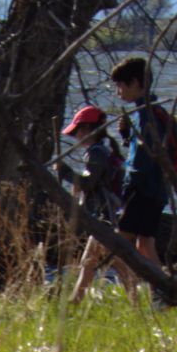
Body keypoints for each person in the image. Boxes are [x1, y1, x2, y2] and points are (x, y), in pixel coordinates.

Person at [109, 56, 174, 288]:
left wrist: (125, 190)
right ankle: (165, 292)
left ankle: (134, 300)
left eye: (120, 85)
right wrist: (127, 137)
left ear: (135, 83)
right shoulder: (158, 112)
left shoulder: (144, 115)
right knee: (145, 245)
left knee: (118, 247)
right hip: (158, 191)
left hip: (142, 191)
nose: (118, 92)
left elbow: (141, 162)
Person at [62, 104, 128, 302]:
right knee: (99, 261)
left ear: (88, 130)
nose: (76, 136)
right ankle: (76, 300)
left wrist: (64, 171)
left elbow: (89, 184)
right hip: (109, 214)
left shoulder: (96, 153)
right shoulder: (105, 149)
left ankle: (75, 302)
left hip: (104, 215)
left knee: (96, 261)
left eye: (77, 131)